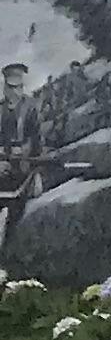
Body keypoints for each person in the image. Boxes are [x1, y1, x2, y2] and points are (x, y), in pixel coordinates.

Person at [0, 61, 43, 265]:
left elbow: (36, 141)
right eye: (10, 87)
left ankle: (8, 259)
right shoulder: (0, 110)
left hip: (23, 169)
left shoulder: (30, 109)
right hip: (2, 167)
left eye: (18, 86)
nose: (14, 92)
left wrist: (23, 153)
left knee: (16, 213)